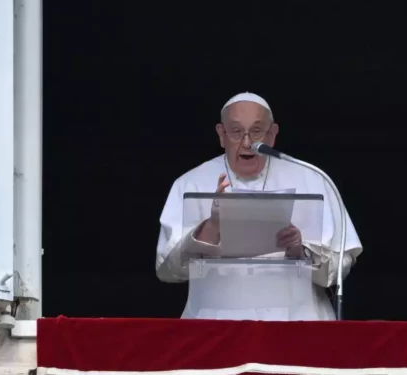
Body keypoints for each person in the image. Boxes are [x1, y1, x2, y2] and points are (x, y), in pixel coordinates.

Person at [155, 92, 363, 320]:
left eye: (256, 131)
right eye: (235, 131)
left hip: (298, 324)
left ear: (272, 135)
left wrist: (300, 252)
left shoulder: (314, 180)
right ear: (221, 135)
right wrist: (212, 226)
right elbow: (167, 270)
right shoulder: (190, 183)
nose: (247, 143)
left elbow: (340, 268)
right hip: (214, 327)